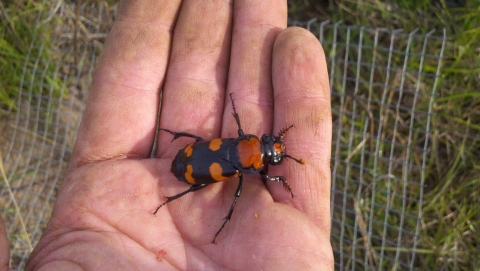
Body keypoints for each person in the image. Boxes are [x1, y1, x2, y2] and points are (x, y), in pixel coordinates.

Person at [1, 1, 334, 270]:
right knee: (207, 180)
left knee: (197, 158)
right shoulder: (248, 166)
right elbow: (264, 172)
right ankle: (171, 182)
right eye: (271, 147)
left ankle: (172, 166)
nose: (271, 147)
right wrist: (281, 180)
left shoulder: (241, 144)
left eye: (272, 149)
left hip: (195, 160)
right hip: (191, 165)